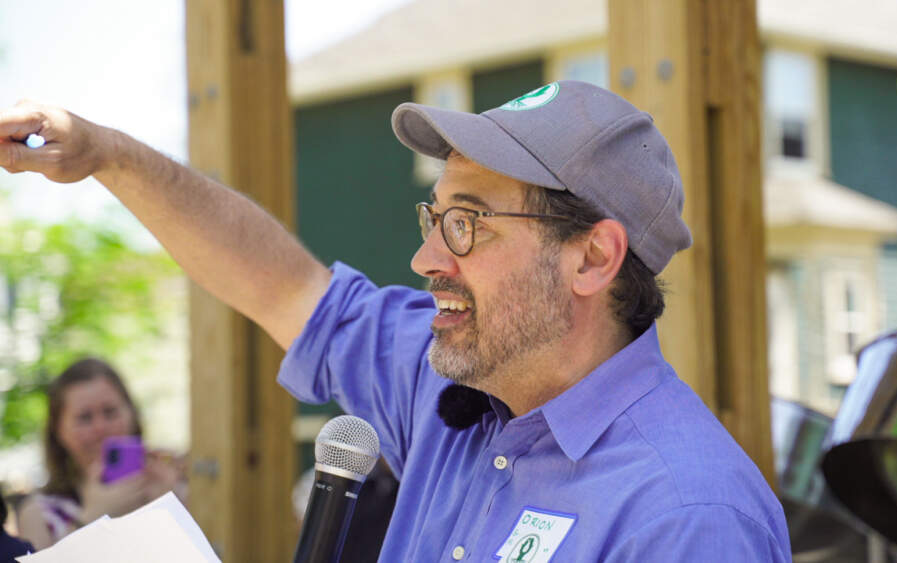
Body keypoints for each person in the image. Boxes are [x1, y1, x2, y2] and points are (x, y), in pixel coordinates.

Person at [0, 80, 792, 560]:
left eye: (469, 223)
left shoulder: (689, 514)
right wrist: (107, 155)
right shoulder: (452, 377)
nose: (426, 260)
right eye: (434, 215)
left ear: (592, 258)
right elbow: (281, 286)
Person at [14, 358, 184, 550]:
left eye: (110, 412)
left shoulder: (166, 485)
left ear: (132, 414)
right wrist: (91, 519)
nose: (101, 428)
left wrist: (172, 506)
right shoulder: (39, 513)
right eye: (85, 418)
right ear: (58, 431)